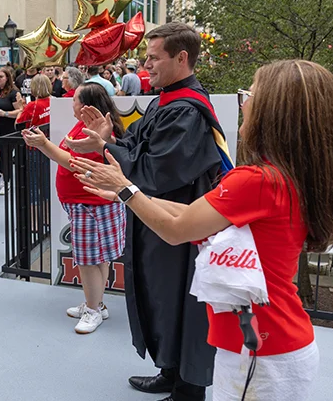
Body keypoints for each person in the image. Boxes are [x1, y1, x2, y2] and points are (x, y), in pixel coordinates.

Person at [74, 59, 333, 401]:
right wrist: (126, 193)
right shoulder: (283, 178)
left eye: (251, 95)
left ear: (274, 113)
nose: (244, 103)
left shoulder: (255, 182)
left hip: (259, 349)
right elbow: (193, 216)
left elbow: (177, 229)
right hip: (272, 342)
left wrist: (126, 189)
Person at [64, 22, 225, 401]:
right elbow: (135, 149)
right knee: (160, 298)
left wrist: (110, 147)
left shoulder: (186, 111)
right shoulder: (166, 101)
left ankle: (188, 389)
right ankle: (169, 371)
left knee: (179, 302)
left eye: (154, 57)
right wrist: (108, 138)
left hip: (178, 227)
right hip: (157, 223)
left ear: (181, 58)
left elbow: (155, 171)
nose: (145, 64)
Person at [22, 83, 126, 334]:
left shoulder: (95, 131)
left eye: (75, 99)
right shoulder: (86, 126)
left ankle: (93, 309)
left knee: (89, 260)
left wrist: (43, 144)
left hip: (92, 204)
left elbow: (73, 163)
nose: (71, 102)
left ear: (87, 105)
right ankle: (96, 304)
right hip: (87, 204)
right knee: (94, 258)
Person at [0, 67, 22, 195]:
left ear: (7, 78)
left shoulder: (13, 92)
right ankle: (3, 171)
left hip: (8, 128)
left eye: (1, 77)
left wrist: (5, 113)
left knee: (5, 156)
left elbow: (20, 111)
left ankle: (6, 181)